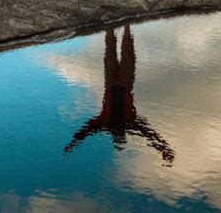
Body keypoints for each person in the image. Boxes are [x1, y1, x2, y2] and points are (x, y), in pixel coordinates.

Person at [63, 24, 175, 165]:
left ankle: (111, 25)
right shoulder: (130, 123)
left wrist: (72, 144)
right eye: (120, 134)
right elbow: (149, 134)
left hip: (110, 82)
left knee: (111, 50)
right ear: (123, 134)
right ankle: (126, 25)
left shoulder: (106, 123)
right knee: (127, 52)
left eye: (116, 134)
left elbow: (86, 131)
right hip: (125, 82)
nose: (118, 131)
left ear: (113, 134)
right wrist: (163, 148)